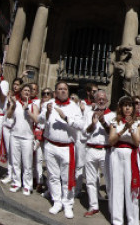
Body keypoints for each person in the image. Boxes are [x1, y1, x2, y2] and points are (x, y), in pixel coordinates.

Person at [39, 81, 83, 218]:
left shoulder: (74, 107)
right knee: (53, 176)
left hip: (66, 147)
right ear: (55, 91)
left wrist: (66, 118)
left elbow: (81, 125)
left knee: (67, 177)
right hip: (51, 145)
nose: (62, 91)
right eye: (59, 89)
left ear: (68, 92)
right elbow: (40, 121)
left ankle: (68, 204)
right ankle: (57, 201)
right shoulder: (49, 104)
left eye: (65, 89)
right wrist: (47, 113)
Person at [108, 95, 140, 225]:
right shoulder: (114, 122)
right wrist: (123, 129)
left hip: (131, 154)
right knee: (117, 187)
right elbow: (111, 141)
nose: (127, 108)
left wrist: (130, 128)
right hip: (116, 153)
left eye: (130, 105)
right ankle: (117, 220)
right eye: (125, 105)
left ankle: (132, 220)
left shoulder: (138, 124)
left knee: (131, 188)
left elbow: (137, 142)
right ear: (121, 107)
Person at [83, 89, 114, 217]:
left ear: (107, 101)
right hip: (90, 149)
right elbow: (85, 132)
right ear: (94, 100)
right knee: (90, 180)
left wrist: (103, 122)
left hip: (105, 150)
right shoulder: (88, 113)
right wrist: (92, 123)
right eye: (98, 98)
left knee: (109, 180)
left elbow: (111, 134)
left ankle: (113, 207)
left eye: (103, 98)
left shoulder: (112, 115)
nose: (101, 100)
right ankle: (93, 206)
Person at [7, 83, 39, 195]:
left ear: (31, 93)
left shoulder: (33, 105)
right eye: (24, 90)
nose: (26, 92)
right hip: (15, 135)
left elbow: (36, 120)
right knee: (16, 162)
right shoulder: (16, 103)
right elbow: (9, 115)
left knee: (27, 163)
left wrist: (27, 110)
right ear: (21, 92)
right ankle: (16, 182)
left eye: (28, 91)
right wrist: (12, 106)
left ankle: (27, 185)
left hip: (27, 138)